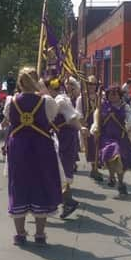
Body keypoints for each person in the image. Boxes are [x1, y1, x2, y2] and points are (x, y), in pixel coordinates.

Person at [4, 67, 62, 246]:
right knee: (41, 184)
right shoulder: (47, 102)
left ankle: (20, 234)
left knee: (18, 185)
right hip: (41, 148)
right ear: (37, 81)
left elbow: (8, 118)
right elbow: (51, 117)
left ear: (20, 83)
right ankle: (39, 234)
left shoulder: (10, 101)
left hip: (19, 148)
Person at [91, 85, 131, 195]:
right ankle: (111, 176)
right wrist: (95, 128)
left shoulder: (125, 107)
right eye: (110, 94)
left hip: (121, 137)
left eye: (115, 94)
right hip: (106, 137)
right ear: (107, 95)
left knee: (121, 161)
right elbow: (96, 118)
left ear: (120, 95)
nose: (113, 96)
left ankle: (120, 182)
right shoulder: (102, 106)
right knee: (112, 153)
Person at [45, 77, 82, 219]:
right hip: (57, 138)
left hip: (64, 138)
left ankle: (66, 202)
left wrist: (81, 128)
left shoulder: (60, 100)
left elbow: (72, 117)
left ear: (50, 88)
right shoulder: (53, 100)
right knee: (56, 171)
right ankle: (65, 201)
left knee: (60, 171)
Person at [76, 75, 103, 182]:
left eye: (93, 84)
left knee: (98, 146)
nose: (91, 86)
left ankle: (96, 167)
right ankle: (94, 168)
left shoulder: (100, 97)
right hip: (88, 124)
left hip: (98, 124)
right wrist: (83, 126)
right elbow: (78, 113)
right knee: (91, 147)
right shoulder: (81, 98)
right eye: (89, 84)